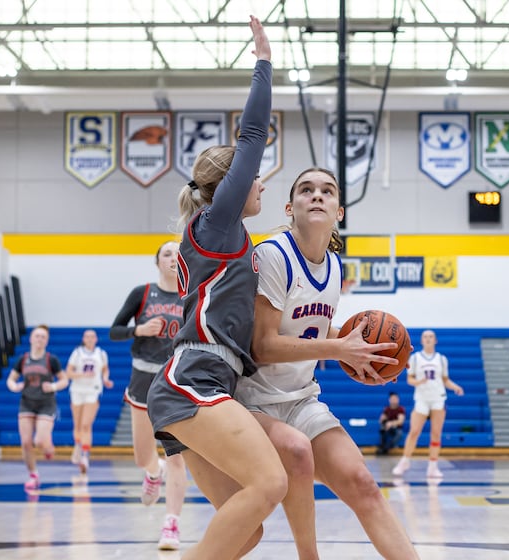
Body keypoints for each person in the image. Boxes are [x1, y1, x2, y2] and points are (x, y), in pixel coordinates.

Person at [191, 167, 418, 559]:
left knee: (363, 484)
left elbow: (315, 330)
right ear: (289, 207)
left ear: (339, 211)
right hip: (249, 399)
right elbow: (263, 346)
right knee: (296, 455)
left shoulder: (334, 266)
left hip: (300, 399)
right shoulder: (273, 255)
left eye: (327, 191)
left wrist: (367, 354)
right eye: (306, 190)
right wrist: (339, 349)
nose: (317, 195)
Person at [144, 17, 289, 560]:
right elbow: (252, 136)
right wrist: (264, 61)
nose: (262, 182)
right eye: (254, 177)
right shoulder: (218, 222)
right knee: (270, 484)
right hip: (194, 378)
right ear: (232, 183)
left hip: (203, 379)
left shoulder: (219, 233)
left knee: (247, 531)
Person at [110, 241, 187, 550]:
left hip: (175, 381)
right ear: (157, 262)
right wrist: (138, 330)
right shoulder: (141, 294)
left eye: (178, 253)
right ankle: (154, 473)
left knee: (177, 456)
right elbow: (115, 330)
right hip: (142, 379)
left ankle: (171, 524)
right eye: (167, 253)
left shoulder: (192, 295)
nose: (173, 258)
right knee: (143, 456)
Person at [392, 330, 465, 479]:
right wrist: (419, 381)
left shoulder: (441, 359)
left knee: (436, 433)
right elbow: (409, 379)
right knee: (414, 431)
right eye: (425, 337)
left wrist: (455, 387)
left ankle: (433, 466)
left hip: (438, 398)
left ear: (435, 340)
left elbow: (445, 380)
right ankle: (405, 461)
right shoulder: (415, 358)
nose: (428, 339)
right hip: (422, 398)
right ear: (421, 340)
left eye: (431, 336)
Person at [6, 325, 66, 491]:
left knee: (39, 441)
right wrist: (14, 386)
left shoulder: (51, 360)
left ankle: (48, 447)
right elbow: (11, 379)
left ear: (47, 341)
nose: (39, 339)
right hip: (27, 402)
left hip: (46, 403)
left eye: (43, 337)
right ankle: (33, 475)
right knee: (26, 442)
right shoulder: (23, 359)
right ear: (31, 339)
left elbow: (64, 380)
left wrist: (53, 386)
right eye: (37, 336)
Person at [65, 329, 113, 474]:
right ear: (83, 339)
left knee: (86, 425)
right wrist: (82, 374)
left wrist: (105, 379)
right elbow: (68, 372)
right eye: (87, 336)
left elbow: (105, 369)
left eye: (92, 336)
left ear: (96, 339)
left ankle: (85, 456)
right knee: (78, 424)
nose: (90, 339)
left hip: (93, 390)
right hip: (77, 390)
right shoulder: (77, 353)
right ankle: (77, 444)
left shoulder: (101, 353)